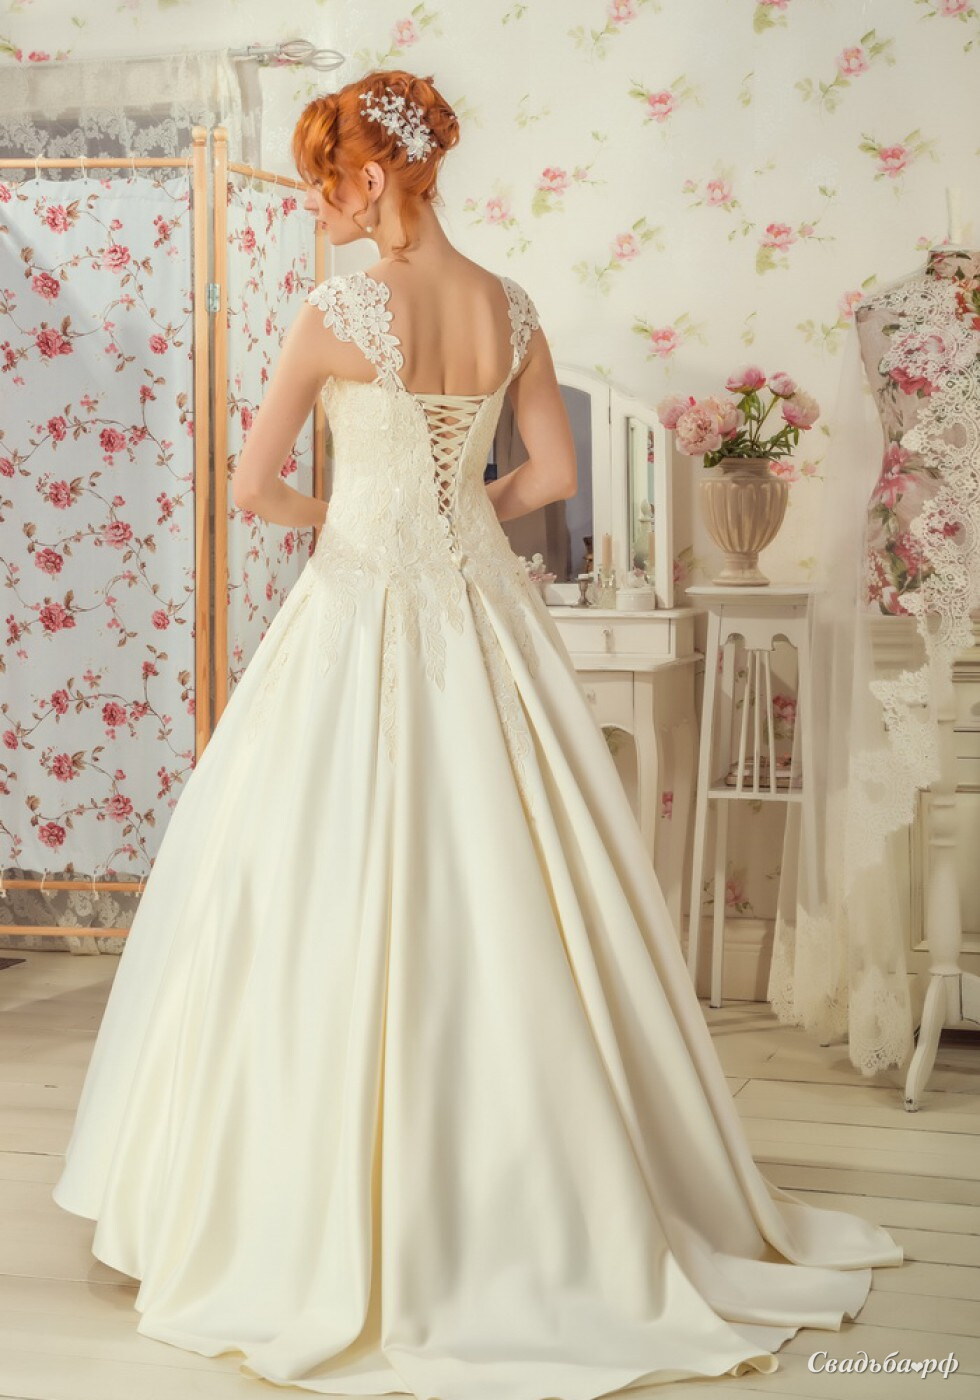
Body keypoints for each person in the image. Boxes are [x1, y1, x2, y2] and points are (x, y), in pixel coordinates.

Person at [52, 67, 904, 1399]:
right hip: (484, 616)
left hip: (355, 616)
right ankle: (557, 1191)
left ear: (370, 176)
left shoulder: (336, 311)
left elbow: (251, 487)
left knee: (310, 887)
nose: (315, 207)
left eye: (323, 182)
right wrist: (456, 510)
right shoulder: (512, 306)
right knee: (529, 879)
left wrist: (352, 521)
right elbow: (552, 476)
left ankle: (311, 1213)